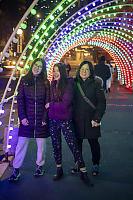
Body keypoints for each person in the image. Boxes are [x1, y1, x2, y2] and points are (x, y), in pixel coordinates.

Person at [45, 62, 93, 186]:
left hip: (65, 119)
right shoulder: (53, 83)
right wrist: (51, 109)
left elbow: (65, 104)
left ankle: (83, 171)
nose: (55, 73)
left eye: (57, 71)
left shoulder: (68, 84)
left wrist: (51, 105)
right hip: (53, 119)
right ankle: (59, 168)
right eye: (54, 71)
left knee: (73, 145)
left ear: (62, 71)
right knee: (56, 145)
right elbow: (51, 100)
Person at [8, 58, 50, 182]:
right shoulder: (24, 81)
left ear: (43, 69)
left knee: (41, 146)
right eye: (36, 65)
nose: (37, 68)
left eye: (40, 66)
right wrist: (22, 117)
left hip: (40, 120)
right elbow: (20, 101)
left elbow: (47, 102)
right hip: (27, 119)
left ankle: (40, 166)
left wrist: (44, 118)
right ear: (32, 66)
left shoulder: (45, 83)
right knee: (21, 144)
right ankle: (16, 169)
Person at [72, 60, 106, 176]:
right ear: (79, 70)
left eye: (87, 69)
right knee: (77, 143)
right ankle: (78, 163)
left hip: (92, 120)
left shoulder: (96, 84)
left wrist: (97, 118)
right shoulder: (74, 83)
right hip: (77, 119)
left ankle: (95, 164)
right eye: (82, 69)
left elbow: (101, 103)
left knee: (94, 143)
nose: (84, 71)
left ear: (91, 71)